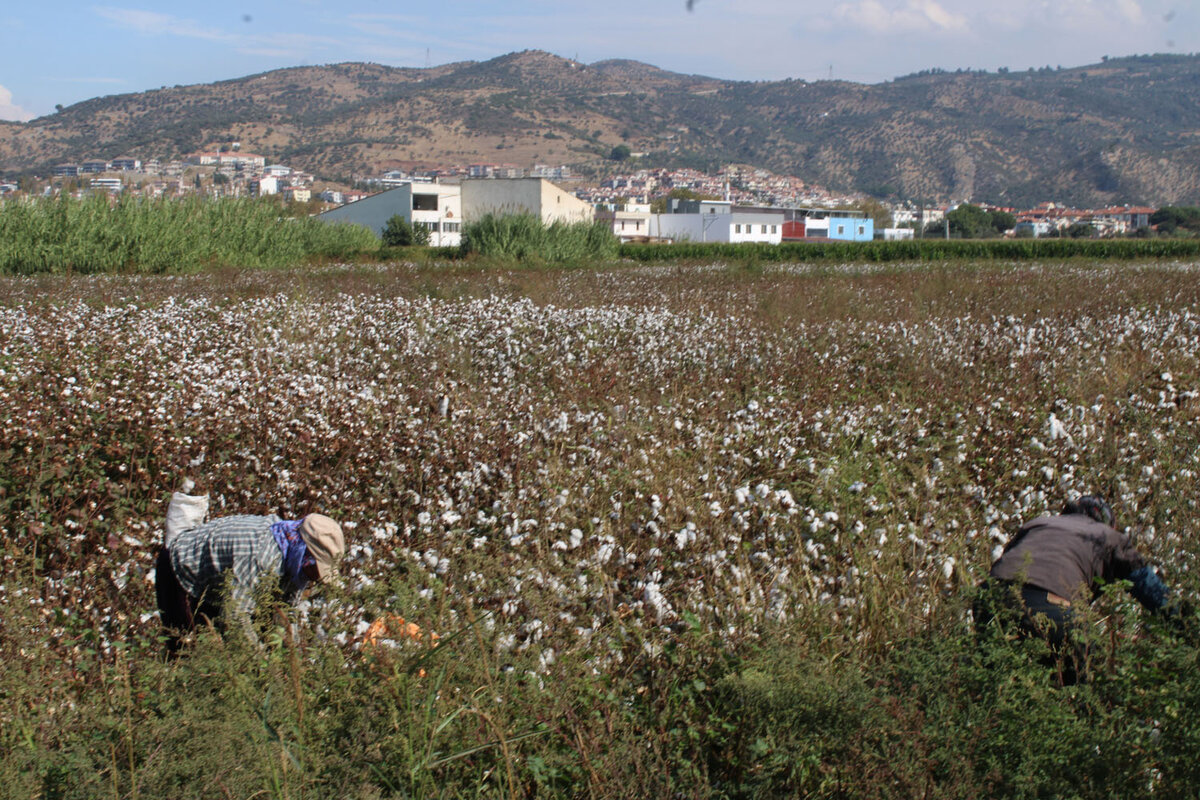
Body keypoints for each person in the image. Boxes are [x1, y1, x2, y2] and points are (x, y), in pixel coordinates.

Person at [975, 495, 1171, 684]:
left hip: (990, 598)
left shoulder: (1037, 524)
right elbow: (1152, 592)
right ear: (1106, 522)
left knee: (993, 680)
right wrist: (1185, 623)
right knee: (1081, 666)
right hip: (1048, 606)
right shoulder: (1108, 536)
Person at [155, 511, 345, 653]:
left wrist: (291, 654)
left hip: (218, 585)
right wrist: (262, 663)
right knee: (188, 653)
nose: (316, 578)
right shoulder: (260, 556)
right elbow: (235, 618)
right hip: (181, 571)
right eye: (316, 570)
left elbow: (285, 612)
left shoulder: (297, 562)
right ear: (304, 553)